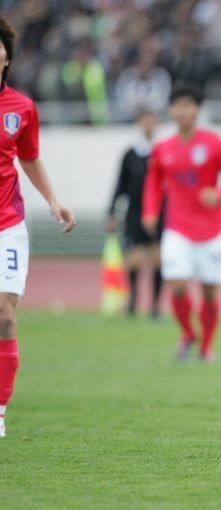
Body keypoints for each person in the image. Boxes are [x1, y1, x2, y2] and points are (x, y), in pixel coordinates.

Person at [0, 16, 76, 438]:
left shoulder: (22, 108)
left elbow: (29, 158)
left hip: (7, 225)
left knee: (4, 315)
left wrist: (53, 200)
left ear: (7, 58)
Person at [142, 84, 221, 363]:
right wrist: (150, 211)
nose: (182, 111)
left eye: (188, 105)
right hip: (177, 228)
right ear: (170, 110)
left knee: (209, 292)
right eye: (177, 106)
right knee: (177, 285)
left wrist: (220, 194)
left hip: (211, 230)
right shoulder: (162, 148)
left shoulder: (214, 143)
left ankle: (205, 347)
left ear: (197, 110)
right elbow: (153, 182)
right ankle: (188, 333)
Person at [107, 109, 162, 318]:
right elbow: (120, 184)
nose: (148, 125)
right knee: (134, 259)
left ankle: (155, 304)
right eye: (145, 121)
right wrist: (112, 212)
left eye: (152, 121)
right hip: (135, 211)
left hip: (158, 212)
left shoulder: (161, 151)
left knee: (158, 258)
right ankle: (133, 300)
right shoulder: (130, 154)